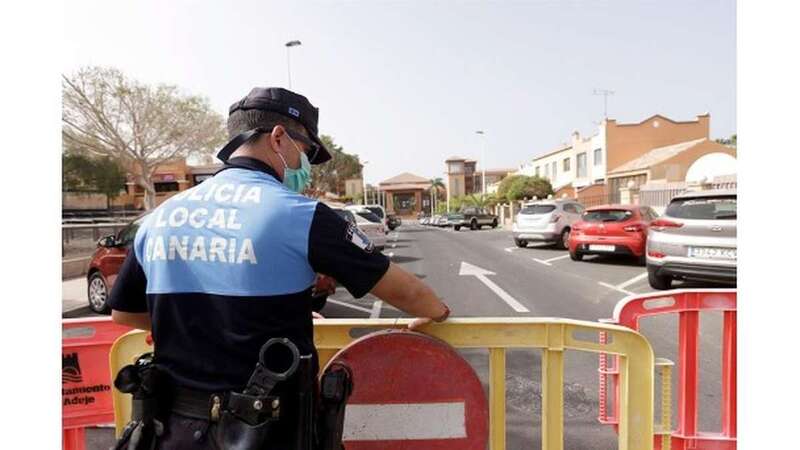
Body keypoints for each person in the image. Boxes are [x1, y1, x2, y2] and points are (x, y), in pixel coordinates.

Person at [108, 87, 449, 449]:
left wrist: (207, 326)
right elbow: (406, 291)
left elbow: (124, 312)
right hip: (267, 433)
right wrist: (436, 312)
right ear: (278, 137)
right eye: (307, 152)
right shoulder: (300, 214)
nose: (307, 166)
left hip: (171, 431)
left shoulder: (161, 217)